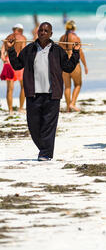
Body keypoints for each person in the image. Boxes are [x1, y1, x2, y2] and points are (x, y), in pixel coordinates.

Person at [6, 22, 80, 161]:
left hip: (53, 94)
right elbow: (17, 65)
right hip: (33, 94)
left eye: (46, 31)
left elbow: (68, 67)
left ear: (51, 34)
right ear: (37, 32)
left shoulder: (58, 51)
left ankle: (45, 153)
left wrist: (75, 53)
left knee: (49, 126)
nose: (43, 32)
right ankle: (44, 149)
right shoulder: (29, 49)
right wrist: (10, 50)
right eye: (41, 30)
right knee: (33, 126)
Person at [59, 20, 88, 112]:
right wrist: (85, 65)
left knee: (67, 86)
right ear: (74, 28)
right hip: (74, 62)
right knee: (78, 84)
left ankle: (68, 108)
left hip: (64, 62)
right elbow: (80, 52)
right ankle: (72, 103)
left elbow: (59, 52)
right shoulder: (75, 38)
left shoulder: (61, 38)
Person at [1, 24, 26, 114]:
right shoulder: (22, 38)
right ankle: (21, 108)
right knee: (23, 86)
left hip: (9, 62)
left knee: (10, 89)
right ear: (21, 30)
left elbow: (2, 53)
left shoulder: (8, 37)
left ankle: (10, 110)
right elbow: (23, 52)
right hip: (18, 62)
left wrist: (5, 60)